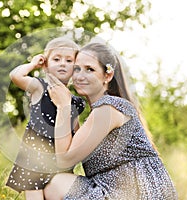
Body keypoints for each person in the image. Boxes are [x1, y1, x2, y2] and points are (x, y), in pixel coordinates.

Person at [44, 42, 178, 199]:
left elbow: (64, 160)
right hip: (120, 190)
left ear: (107, 75)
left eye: (90, 69)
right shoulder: (101, 110)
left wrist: (63, 107)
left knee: (57, 184)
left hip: (137, 193)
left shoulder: (109, 109)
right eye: (77, 69)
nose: (80, 76)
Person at [6, 37, 85, 200]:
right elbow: (15, 75)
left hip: (59, 158)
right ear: (46, 63)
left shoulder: (75, 100)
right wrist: (33, 64)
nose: (63, 63)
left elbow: (76, 130)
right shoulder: (39, 87)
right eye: (56, 59)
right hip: (34, 158)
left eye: (69, 60)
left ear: (75, 67)